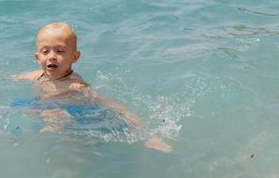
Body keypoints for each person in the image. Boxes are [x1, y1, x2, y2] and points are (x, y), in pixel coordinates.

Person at [13, 22, 172, 152]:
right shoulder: (36, 75)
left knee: (54, 118)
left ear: (75, 57)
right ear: (37, 57)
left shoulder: (75, 85)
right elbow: (12, 78)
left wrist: (145, 135)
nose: (52, 56)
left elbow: (109, 103)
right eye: (45, 51)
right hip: (43, 107)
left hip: (73, 114)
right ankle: (31, 135)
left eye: (60, 51)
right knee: (23, 109)